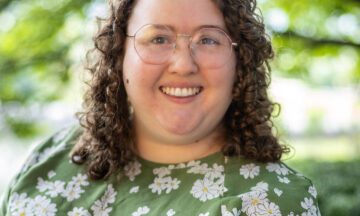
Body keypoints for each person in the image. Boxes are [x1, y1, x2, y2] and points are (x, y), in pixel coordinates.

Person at [1, 0, 321, 215]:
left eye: (208, 40)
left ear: (240, 61)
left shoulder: (268, 201)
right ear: (118, 55)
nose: (183, 65)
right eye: (158, 39)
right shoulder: (55, 155)